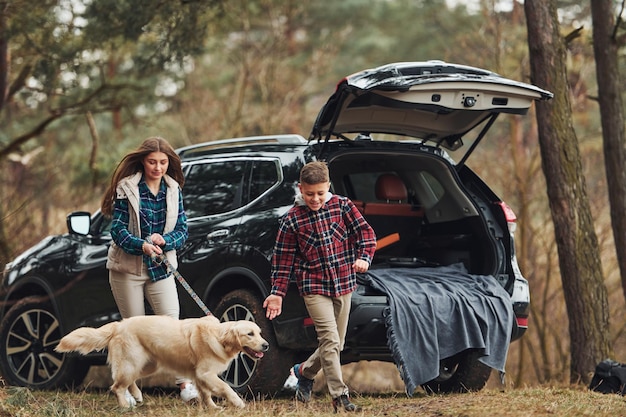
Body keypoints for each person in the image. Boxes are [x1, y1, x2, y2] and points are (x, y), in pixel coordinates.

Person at [263, 161, 376, 412]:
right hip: (313, 286)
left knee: (336, 343)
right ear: (300, 188)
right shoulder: (292, 220)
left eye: (320, 193)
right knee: (329, 338)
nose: (315, 199)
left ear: (328, 188)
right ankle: (339, 396)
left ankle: (303, 371)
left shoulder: (342, 206)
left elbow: (366, 235)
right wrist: (277, 294)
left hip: (344, 282)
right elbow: (283, 261)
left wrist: (364, 257)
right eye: (309, 193)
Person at [100, 136, 198, 404]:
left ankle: (185, 385)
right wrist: (141, 245)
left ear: (169, 163)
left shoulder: (174, 189)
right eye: (152, 162)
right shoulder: (127, 188)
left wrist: (165, 241)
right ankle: (129, 387)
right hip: (127, 269)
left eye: (163, 162)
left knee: (173, 329)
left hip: (161, 268)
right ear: (143, 161)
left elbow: (182, 230)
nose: (158, 167)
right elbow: (117, 231)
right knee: (134, 333)